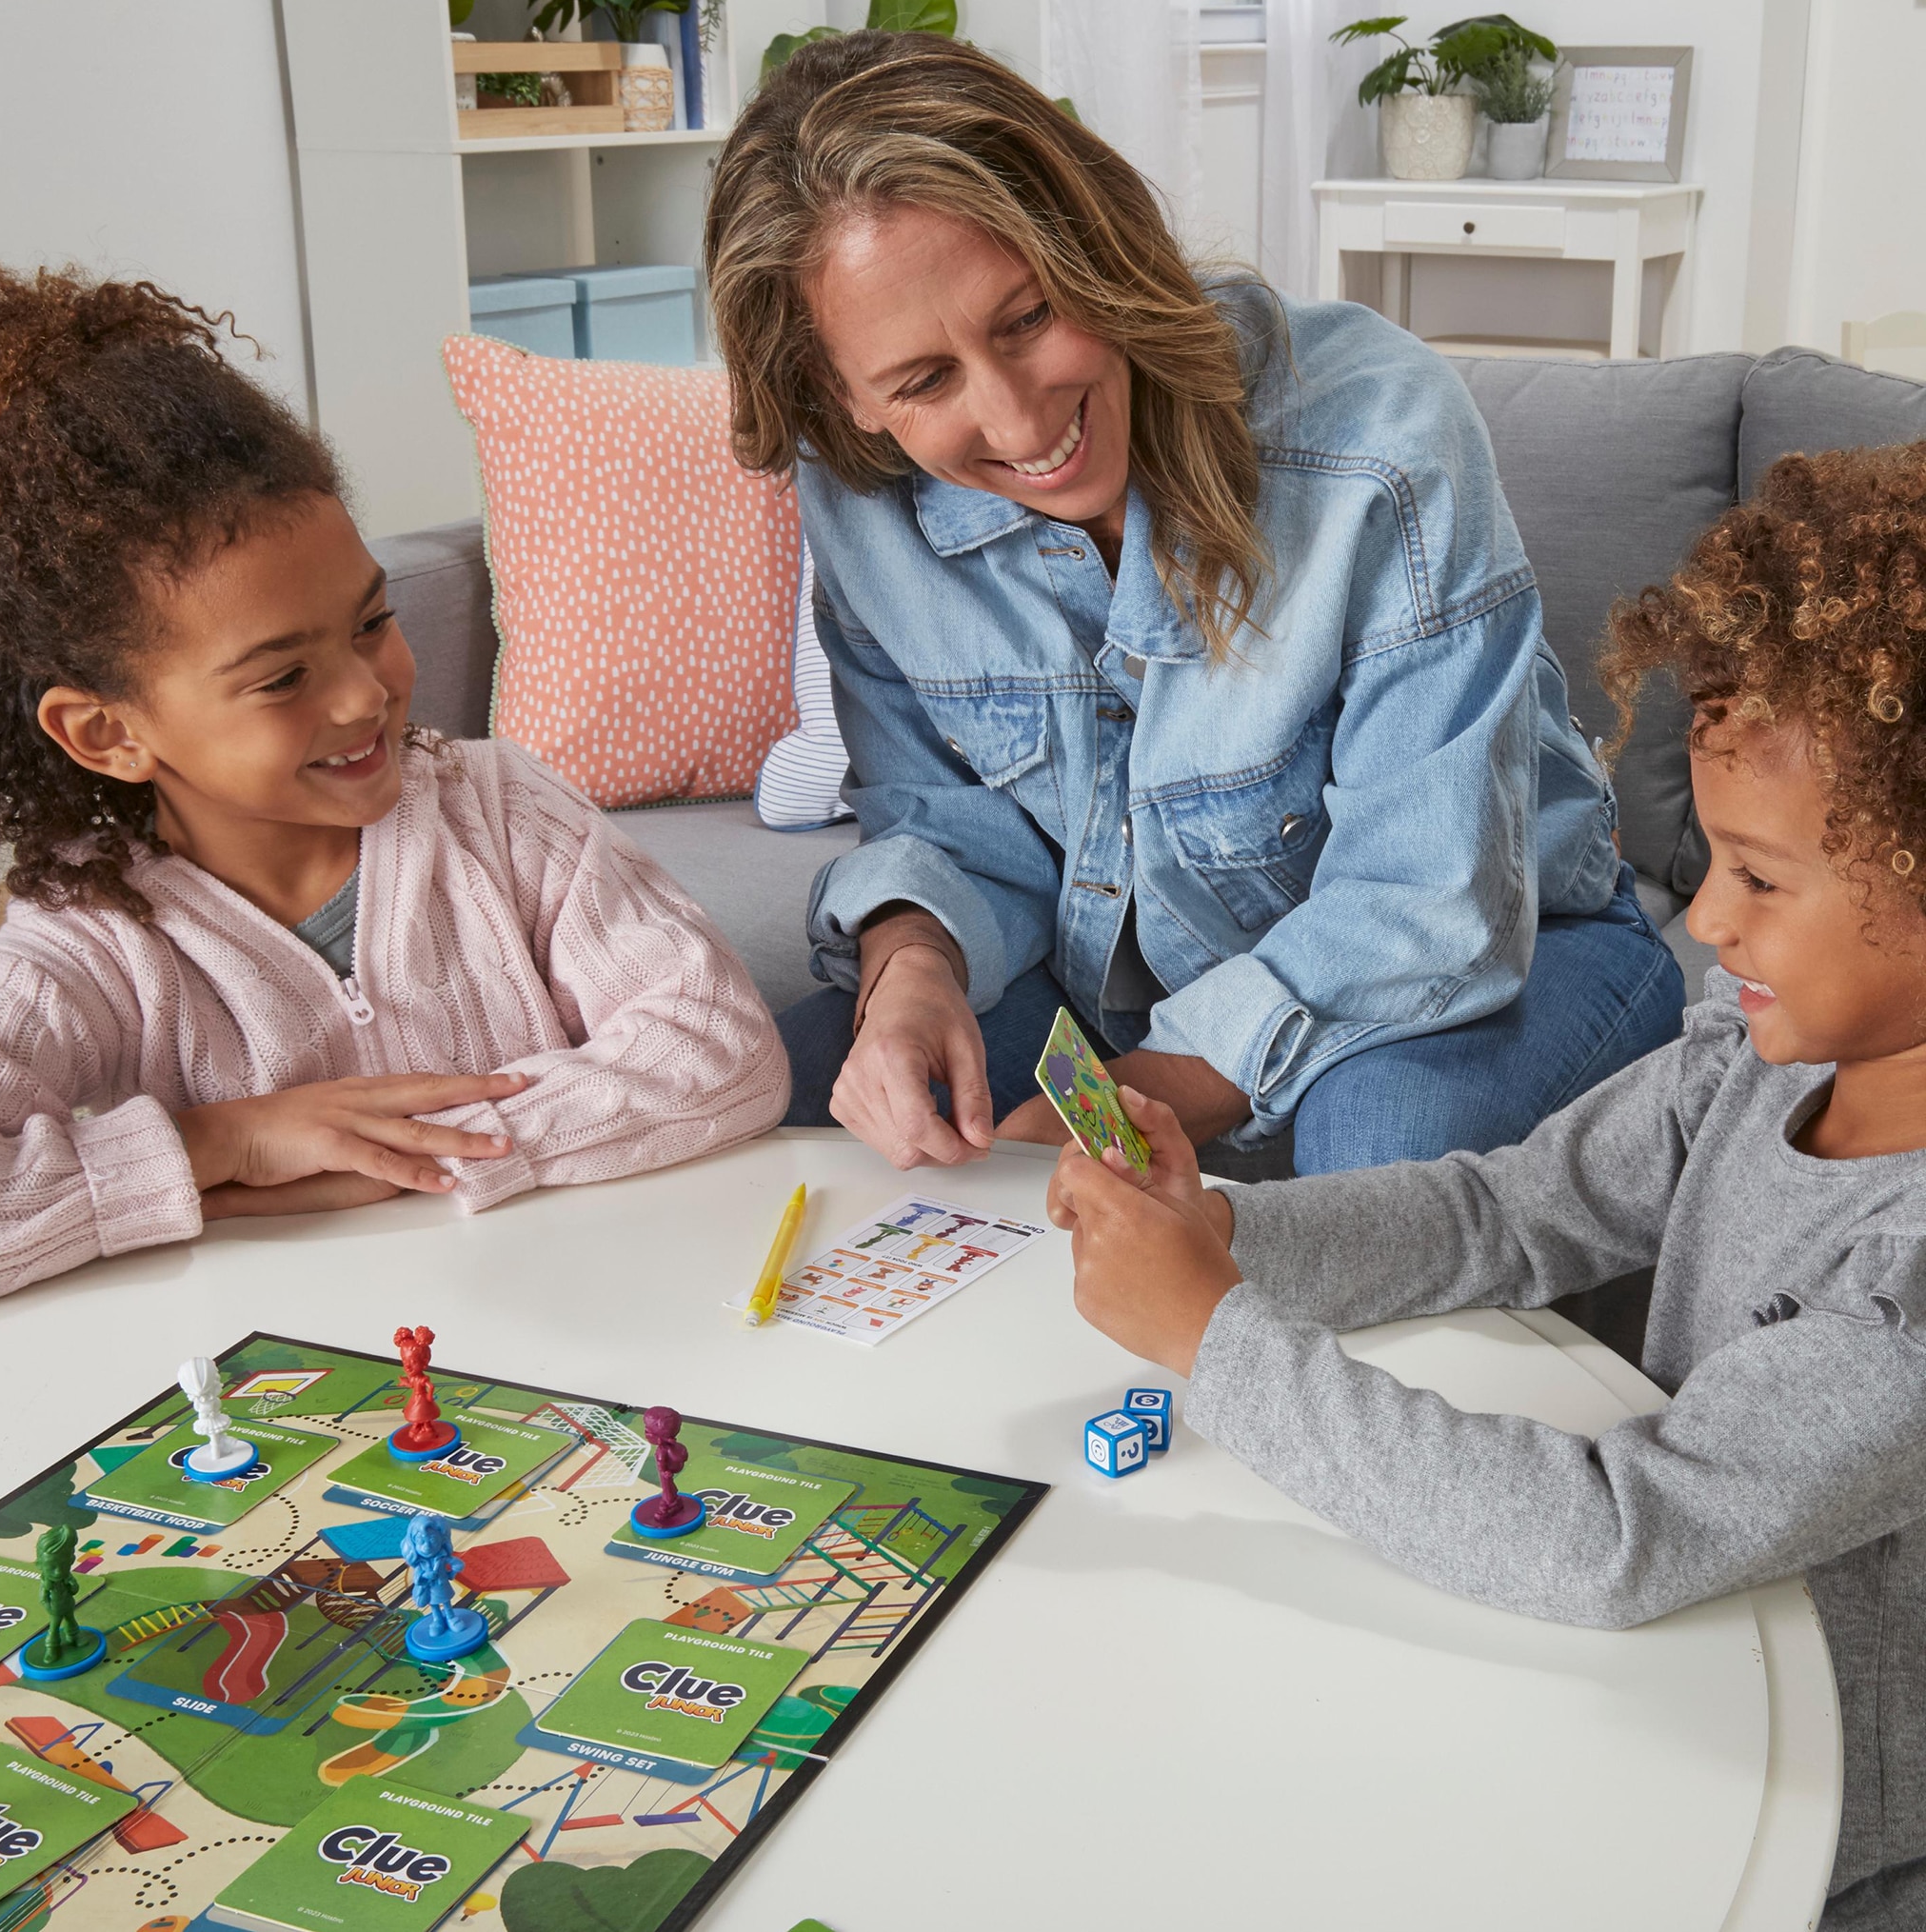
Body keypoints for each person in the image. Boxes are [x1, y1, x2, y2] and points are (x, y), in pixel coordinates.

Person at [1048, 442, 1926, 1928]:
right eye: (1710, 861)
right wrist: (1227, 1233)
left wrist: (1215, 1337)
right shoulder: (1754, 1060)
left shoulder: (1907, 1283)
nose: (1703, 918)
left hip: (1805, 1840)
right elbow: (1510, 1211)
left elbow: (1615, 1530)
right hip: (1649, 1684)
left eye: (1762, 881)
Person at [704, 31, 1681, 1177]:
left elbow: (1429, 905)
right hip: (1123, 1001)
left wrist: (1131, 1100)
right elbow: (940, 822)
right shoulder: (860, 498)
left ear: (1093, 241)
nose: (1021, 425)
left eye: (1025, 319)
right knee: (806, 1102)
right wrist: (910, 964)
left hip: (1499, 955)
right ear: (842, 395)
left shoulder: (1378, 438)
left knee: (1383, 1146)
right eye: (922, 381)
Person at [0, 268, 788, 1300]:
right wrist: (219, 1143)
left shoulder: (504, 812)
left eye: (372, 621)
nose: (366, 696)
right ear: (105, 732)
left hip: (579, 1325)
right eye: (281, 677)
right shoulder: (93, 933)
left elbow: (724, 1047)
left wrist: (422, 1149)